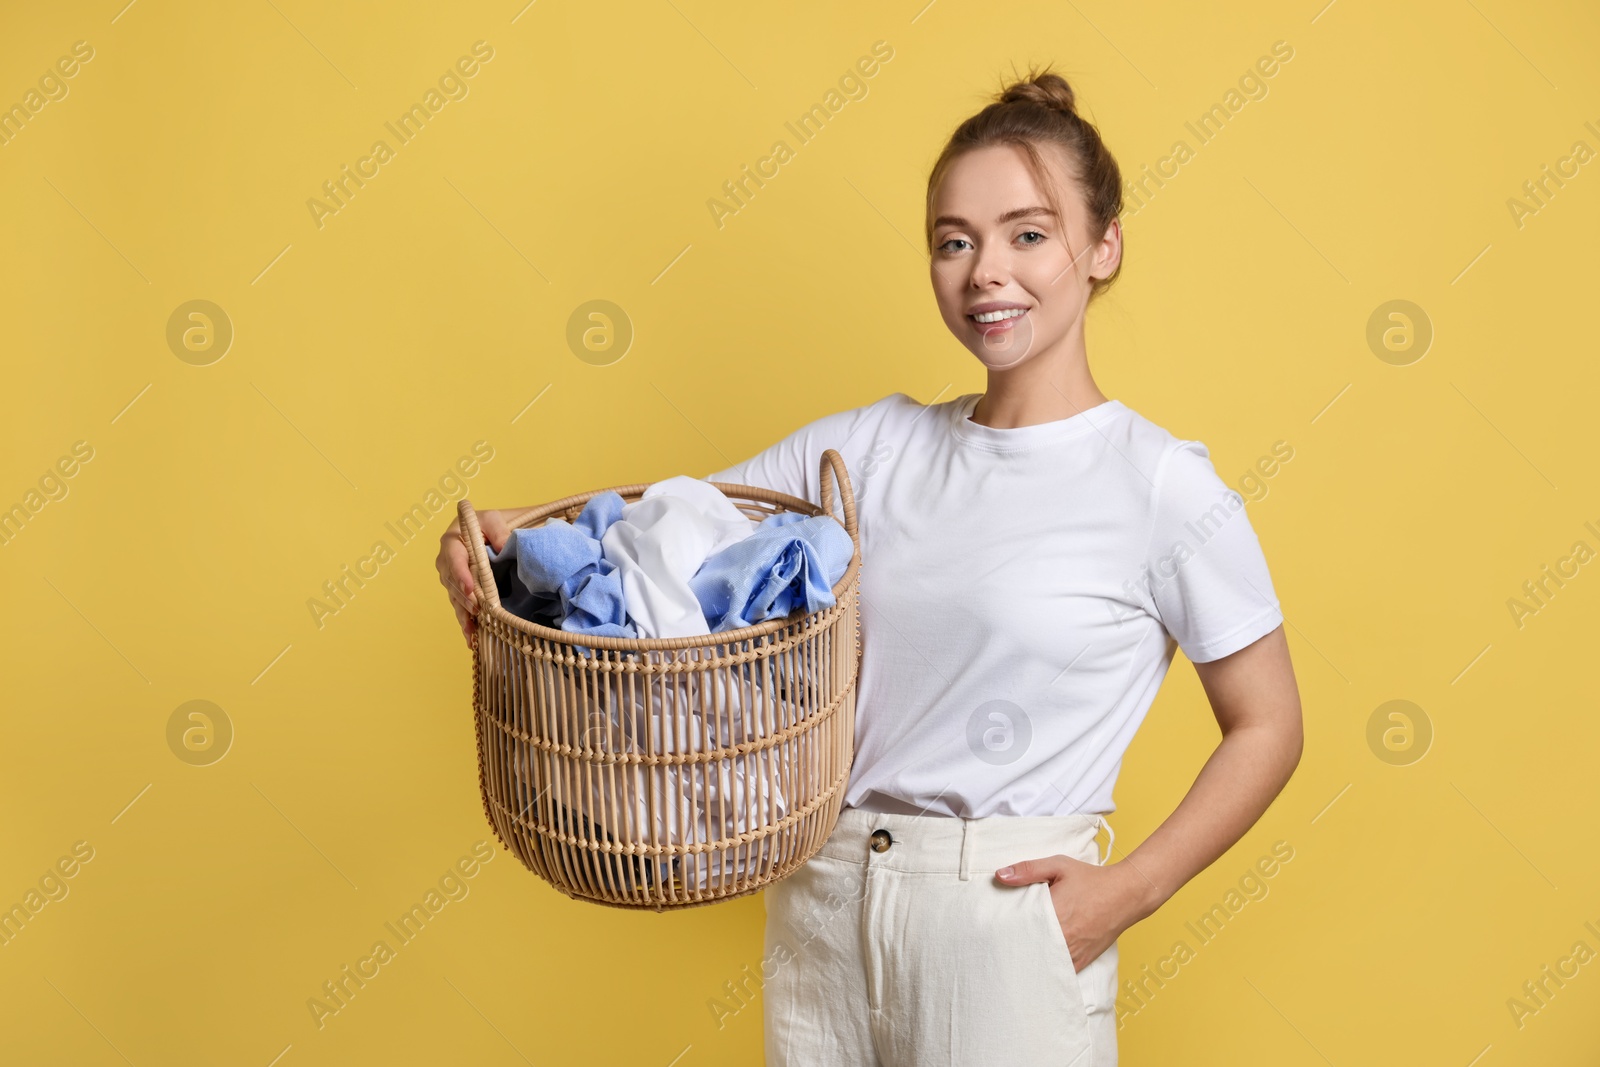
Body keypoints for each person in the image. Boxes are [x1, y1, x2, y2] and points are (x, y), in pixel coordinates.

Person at [436, 65, 1302, 1067]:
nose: (985, 271)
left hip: (1004, 920)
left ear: (1102, 246)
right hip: (823, 895)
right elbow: (652, 530)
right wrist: (485, 539)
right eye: (953, 240)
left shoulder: (1159, 486)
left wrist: (1128, 889)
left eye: (1028, 233)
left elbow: (1268, 721)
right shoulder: (865, 450)